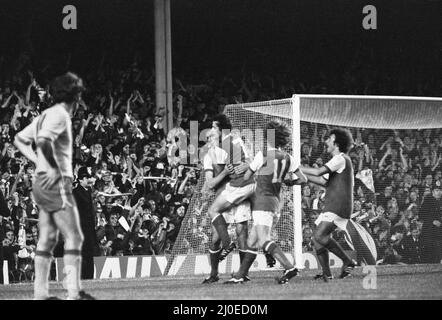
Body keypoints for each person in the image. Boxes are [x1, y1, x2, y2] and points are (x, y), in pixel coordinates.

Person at [14, 72, 95, 299]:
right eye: (79, 93)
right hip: (56, 183)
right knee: (75, 236)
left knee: (48, 238)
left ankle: (41, 294)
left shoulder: (46, 115)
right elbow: (44, 142)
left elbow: (20, 139)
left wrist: (38, 162)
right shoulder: (60, 115)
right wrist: (52, 167)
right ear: (74, 95)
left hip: (43, 183)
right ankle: (73, 293)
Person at [225, 119, 307, 284]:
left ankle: (290, 267)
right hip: (276, 203)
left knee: (263, 240)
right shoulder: (289, 157)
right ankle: (240, 276)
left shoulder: (262, 155)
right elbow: (303, 179)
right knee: (252, 241)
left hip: (262, 202)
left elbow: (247, 176)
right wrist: (289, 182)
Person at [300, 128, 357, 282]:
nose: (326, 141)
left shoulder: (341, 158)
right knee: (316, 240)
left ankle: (348, 261)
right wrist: (302, 177)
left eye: (329, 139)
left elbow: (318, 173)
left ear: (337, 143)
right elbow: (322, 181)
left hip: (339, 205)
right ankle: (327, 274)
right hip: (333, 204)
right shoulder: (337, 161)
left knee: (318, 235)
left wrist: (296, 168)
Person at [201, 121, 253, 284]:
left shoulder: (232, 145)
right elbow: (210, 183)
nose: (210, 139)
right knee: (216, 238)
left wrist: (245, 166)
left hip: (239, 192)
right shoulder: (209, 157)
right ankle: (214, 273)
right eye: (209, 138)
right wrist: (224, 172)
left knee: (241, 232)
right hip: (223, 196)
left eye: (213, 134)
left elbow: (250, 160)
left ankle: (243, 273)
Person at [73, 167, 99, 279]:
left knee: (89, 254)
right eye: (85, 178)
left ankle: (90, 276)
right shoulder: (75, 192)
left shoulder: (87, 192)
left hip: (89, 228)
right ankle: (82, 276)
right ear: (80, 179)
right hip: (80, 228)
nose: (87, 180)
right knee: (82, 254)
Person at [419, 186, 442, 263]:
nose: (439, 192)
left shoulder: (440, 201)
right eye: (437, 190)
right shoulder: (428, 200)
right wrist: (432, 221)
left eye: (440, 190)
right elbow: (421, 215)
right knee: (429, 252)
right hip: (429, 231)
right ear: (432, 192)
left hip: (439, 231)